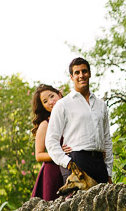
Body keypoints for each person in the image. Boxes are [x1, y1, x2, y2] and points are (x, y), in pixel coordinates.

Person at [45, 57, 113, 185]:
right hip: (76, 161)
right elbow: (51, 140)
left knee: (103, 204)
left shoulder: (101, 104)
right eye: (77, 73)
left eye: (84, 71)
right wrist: (67, 162)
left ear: (90, 74)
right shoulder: (63, 105)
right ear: (71, 77)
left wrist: (108, 171)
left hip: (99, 162)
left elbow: (107, 140)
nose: (81, 75)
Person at [30, 84, 71, 201]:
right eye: (45, 101)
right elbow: (39, 155)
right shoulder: (45, 124)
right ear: (43, 107)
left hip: (72, 168)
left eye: (52, 96)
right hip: (53, 172)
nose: (50, 102)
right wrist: (59, 153)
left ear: (59, 94)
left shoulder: (71, 117)